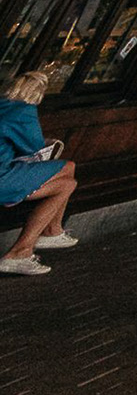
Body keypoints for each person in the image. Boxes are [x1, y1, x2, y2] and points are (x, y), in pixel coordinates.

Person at [0, 69, 75, 277]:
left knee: (69, 169)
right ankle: (20, 252)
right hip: (3, 178)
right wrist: (47, 143)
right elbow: (35, 150)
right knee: (68, 183)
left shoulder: (3, 104)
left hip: (5, 169)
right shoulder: (24, 111)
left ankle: (53, 230)